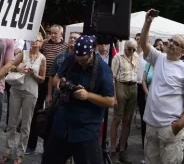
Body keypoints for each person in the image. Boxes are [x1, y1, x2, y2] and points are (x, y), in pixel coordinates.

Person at [42, 35, 114, 164]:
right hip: (62, 124)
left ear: (92, 51)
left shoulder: (103, 70)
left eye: (83, 60)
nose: (79, 62)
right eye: (77, 59)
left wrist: (88, 96)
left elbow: (110, 101)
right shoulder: (70, 59)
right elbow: (56, 78)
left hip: (86, 130)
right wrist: (60, 84)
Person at [139, 9, 184, 164]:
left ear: (182, 51)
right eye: (170, 40)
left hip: (170, 128)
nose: (171, 44)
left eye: (176, 43)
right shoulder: (158, 58)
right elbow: (143, 43)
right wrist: (148, 22)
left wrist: (180, 124)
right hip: (151, 126)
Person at [1, 33, 46, 164]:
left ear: (41, 43)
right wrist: (18, 67)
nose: (34, 42)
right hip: (16, 90)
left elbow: (42, 79)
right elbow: (10, 65)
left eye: (37, 40)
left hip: (31, 92)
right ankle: (7, 152)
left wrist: (34, 74)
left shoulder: (42, 58)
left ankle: (20, 154)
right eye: (33, 40)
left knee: (26, 125)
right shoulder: (24, 54)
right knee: (11, 123)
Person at [27, 25, 67, 154]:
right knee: (36, 112)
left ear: (62, 34)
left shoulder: (65, 47)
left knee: (51, 114)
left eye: (56, 33)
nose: (53, 35)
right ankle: (31, 144)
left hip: (55, 83)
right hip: (41, 80)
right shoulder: (44, 44)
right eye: (51, 33)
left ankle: (48, 146)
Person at [111, 39, 139, 162]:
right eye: (129, 49)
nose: (131, 51)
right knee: (117, 118)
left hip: (133, 86)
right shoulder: (117, 57)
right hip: (121, 85)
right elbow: (113, 78)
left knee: (127, 120)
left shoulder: (136, 56)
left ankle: (122, 149)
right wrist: (114, 96)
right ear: (125, 47)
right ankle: (112, 149)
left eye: (133, 49)